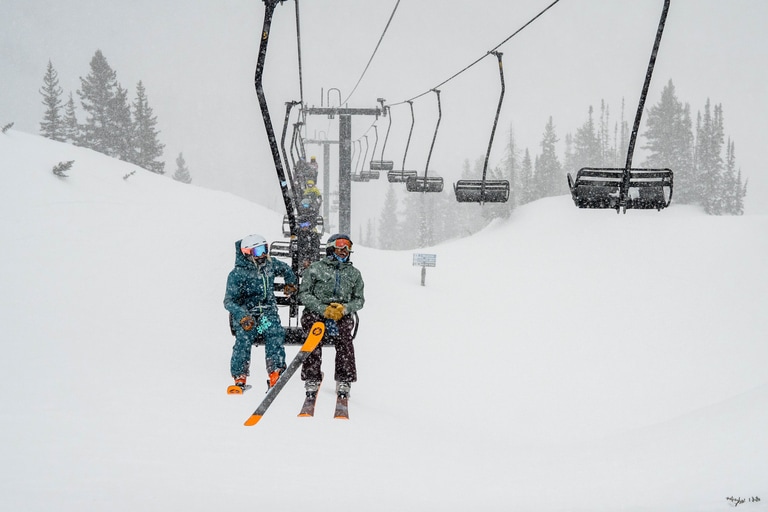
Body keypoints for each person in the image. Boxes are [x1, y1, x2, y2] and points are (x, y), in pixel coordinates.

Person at [224, 234, 298, 393]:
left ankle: (275, 371)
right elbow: (229, 301)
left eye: (265, 249)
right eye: (258, 251)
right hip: (248, 317)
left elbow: (286, 269)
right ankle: (240, 376)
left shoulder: (269, 265)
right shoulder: (237, 274)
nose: (263, 254)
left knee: (274, 332)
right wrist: (242, 316)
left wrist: (290, 283)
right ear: (247, 252)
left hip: (266, 315)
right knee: (244, 337)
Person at [298, 234, 365, 399]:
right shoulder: (315, 268)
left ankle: (344, 379)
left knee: (344, 337)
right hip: (317, 311)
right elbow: (304, 294)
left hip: (340, 312)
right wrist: (322, 309)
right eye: (340, 246)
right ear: (331, 248)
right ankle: (312, 377)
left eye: (348, 247)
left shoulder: (354, 273)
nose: (344, 250)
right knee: (314, 332)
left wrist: (344, 308)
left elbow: (359, 300)